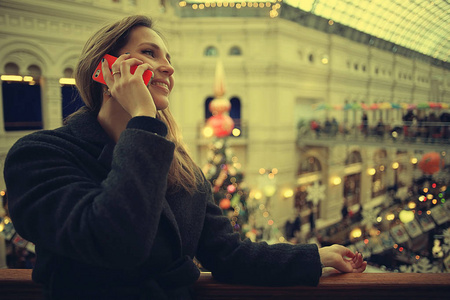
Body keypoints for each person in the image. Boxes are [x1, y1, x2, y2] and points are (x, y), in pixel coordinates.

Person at [3, 15, 366, 300]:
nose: (168, 67)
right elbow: (116, 242)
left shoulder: (181, 168)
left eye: (168, 58)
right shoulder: (39, 156)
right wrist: (143, 120)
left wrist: (312, 258)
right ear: (106, 69)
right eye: (149, 53)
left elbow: (227, 253)